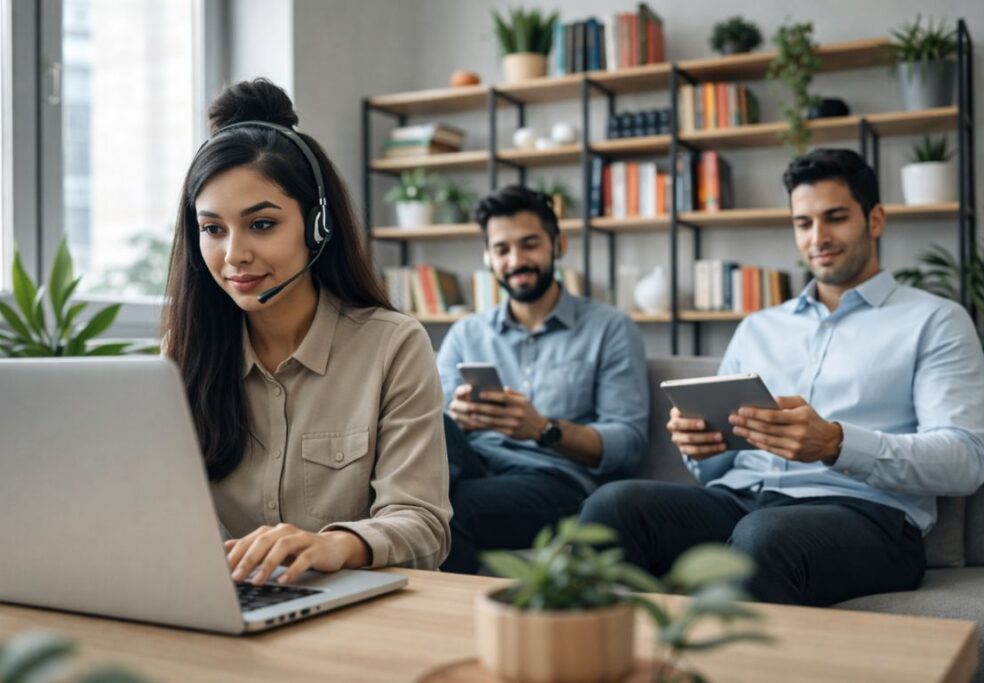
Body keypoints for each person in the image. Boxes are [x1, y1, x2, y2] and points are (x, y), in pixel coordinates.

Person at [579, 148, 984, 606]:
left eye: (835, 217)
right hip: (741, 500)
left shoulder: (935, 321)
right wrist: (701, 445)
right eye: (804, 223)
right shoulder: (758, 327)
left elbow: (965, 458)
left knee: (763, 537)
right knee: (612, 507)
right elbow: (712, 467)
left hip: (866, 516)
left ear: (875, 220)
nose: (819, 237)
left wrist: (835, 443)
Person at [162, 79, 451, 585]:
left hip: (346, 613)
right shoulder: (180, 356)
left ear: (318, 226)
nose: (234, 256)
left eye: (262, 224)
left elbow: (424, 527)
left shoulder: (393, 345)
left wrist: (332, 545)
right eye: (213, 229)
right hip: (217, 603)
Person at [437, 185, 649, 574]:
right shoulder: (466, 334)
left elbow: (628, 443)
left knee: (441, 513)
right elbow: (431, 426)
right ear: (488, 257)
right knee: (433, 424)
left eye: (529, 244)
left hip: (553, 481)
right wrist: (457, 414)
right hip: (472, 466)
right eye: (502, 250)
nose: (516, 260)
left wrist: (541, 428)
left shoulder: (610, 328)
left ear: (558, 244)